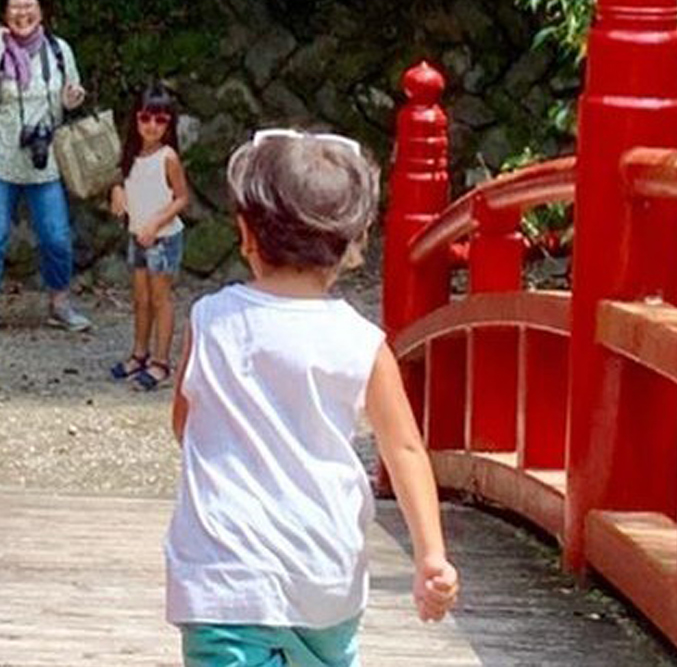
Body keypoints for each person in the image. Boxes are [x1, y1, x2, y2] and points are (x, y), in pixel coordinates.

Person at [166, 129, 460, 666]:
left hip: (224, 577)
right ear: (353, 244)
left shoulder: (210, 321)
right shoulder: (363, 344)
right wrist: (430, 556)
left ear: (247, 234)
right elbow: (406, 452)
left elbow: (184, 423)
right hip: (324, 573)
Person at [0, 0, 91, 338]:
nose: (22, 14)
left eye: (29, 6)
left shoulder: (58, 50)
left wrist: (72, 98)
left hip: (43, 159)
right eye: (15, 7)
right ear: (4, 15)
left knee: (56, 236)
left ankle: (59, 303)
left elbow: (69, 97)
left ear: (41, 11)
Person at [107, 85, 191, 390]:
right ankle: (139, 353)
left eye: (160, 120)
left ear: (169, 124)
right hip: (137, 235)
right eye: (145, 118)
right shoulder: (131, 154)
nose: (152, 126)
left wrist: (156, 222)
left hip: (162, 238)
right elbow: (120, 179)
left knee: (160, 298)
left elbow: (182, 197)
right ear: (136, 120)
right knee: (140, 298)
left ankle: (161, 361)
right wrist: (116, 191)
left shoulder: (168, 157)